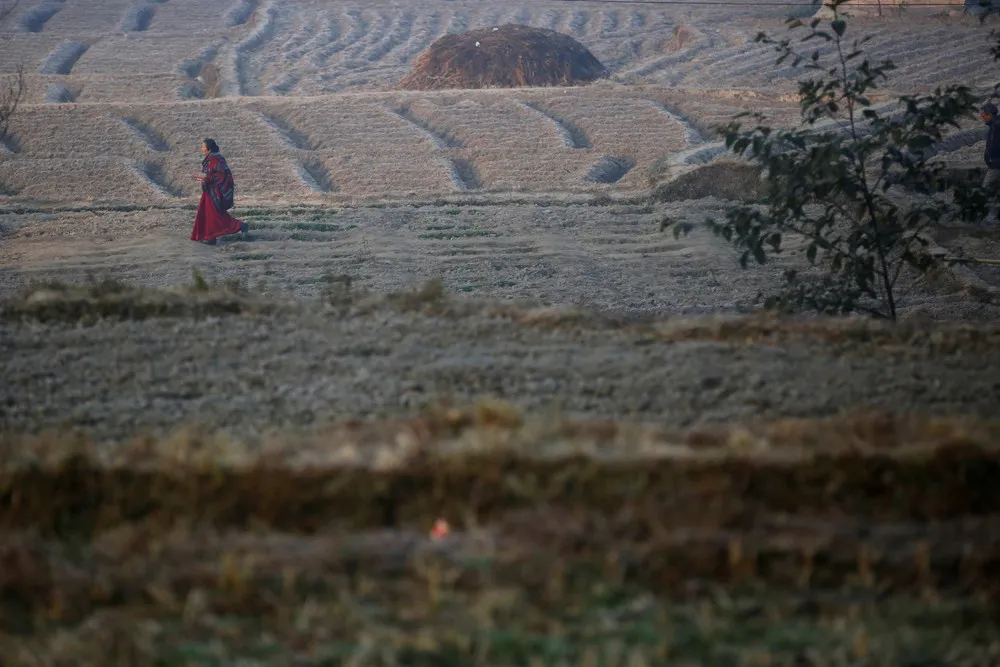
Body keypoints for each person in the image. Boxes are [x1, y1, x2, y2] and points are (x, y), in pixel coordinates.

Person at [191, 138, 247, 245]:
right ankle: (210, 236)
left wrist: (206, 178)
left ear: (209, 148)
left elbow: (220, 175)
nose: (202, 148)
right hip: (209, 191)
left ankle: (239, 226)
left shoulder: (216, 159)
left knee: (215, 216)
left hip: (214, 192)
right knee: (209, 214)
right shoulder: (211, 158)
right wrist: (202, 178)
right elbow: (210, 174)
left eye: (203, 146)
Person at [982, 102, 1000, 225]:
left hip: (996, 164)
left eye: (983, 116)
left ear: (989, 115)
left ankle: (992, 217)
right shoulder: (995, 125)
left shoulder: (996, 126)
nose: (982, 118)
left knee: (987, 188)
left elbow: (995, 146)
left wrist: (990, 158)